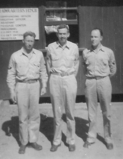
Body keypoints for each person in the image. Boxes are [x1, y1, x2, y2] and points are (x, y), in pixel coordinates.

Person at [6, 31, 48, 154]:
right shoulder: (15, 56)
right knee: (23, 116)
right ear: (23, 41)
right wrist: (11, 91)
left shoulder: (39, 54)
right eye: (28, 41)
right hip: (21, 86)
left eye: (32, 41)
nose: (30, 43)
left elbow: (43, 71)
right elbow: (11, 74)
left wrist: (44, 85)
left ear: (34, 41)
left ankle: (33, 140)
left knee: (34, 115)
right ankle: (24, 142)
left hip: (35, 85)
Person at [46, 24, 79, 152]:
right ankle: (56, 140)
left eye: (64, 33)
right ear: (57, 35)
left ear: (68, 34)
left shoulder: (74, 47)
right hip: (55, 79)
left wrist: (71, 76)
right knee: (57, 112)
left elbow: (76, 63)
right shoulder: (51, 47)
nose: (62, 36)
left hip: (69, 79)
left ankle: (70, 140)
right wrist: (54, 76)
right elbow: (48, 62)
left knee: (70, 112)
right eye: (60, 34)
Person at [82, 28, 116, 150]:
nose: (93, 39)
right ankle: (91, 137)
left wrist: (104, 77)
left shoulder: (108, 52)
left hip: (104, 81)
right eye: (91, 36)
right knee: (91, 112)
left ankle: (108, 138)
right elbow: (84, 68)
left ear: (101, 38)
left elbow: (113, 68)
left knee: (106, 111)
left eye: (96, 37)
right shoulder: (86, 52)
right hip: (90, 82)